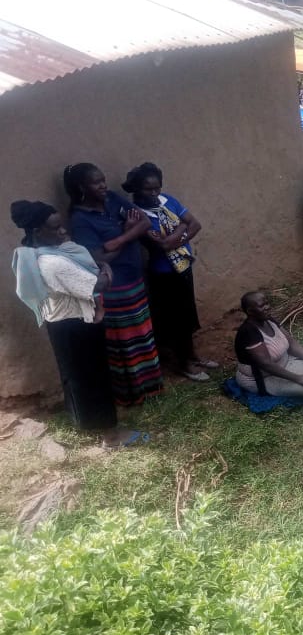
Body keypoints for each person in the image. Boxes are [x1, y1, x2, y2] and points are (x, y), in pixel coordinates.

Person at [10, 201, 146, 448]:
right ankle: (111, 436)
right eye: (55, 228)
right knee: (93, 378)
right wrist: (105, 269)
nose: (63, 232)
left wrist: (99, 270)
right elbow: (98, 285)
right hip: (76, 326)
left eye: (61, 226)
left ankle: (83, 421)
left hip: (60, 324)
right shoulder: (53, 263)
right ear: (37, 232)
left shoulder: (40, 254)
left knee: (75, 377)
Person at [65, 163, 163, 406]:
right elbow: (98, 259)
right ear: (81, 187)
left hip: (134, 279)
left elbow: (144, 223)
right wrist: (126, 233)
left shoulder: (111, 199)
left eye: (103, 179)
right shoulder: (80, 220)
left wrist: (119, 237)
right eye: (96, 182)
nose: (103, 185)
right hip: (114, 289)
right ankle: (133, 394)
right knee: (125, 343)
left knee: (143, 335)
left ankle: (152, 387)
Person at [121, 163, 214, 382]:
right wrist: (182, 227)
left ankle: (192, 355)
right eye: (148, 189)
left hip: (183, 266)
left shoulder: (168, 201)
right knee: (175, 319)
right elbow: (163, 246)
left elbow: (196, 224)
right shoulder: (137, 215)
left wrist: (178, 233)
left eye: (157, 188)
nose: (154, 194)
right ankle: (183, 363)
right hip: (163, 273)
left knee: (188, 315)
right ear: (137, 189)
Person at [234, 291, 303, 406]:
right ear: (250, 311)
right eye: (262, 306)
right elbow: (266, 364)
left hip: (286, 363)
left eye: (267, 303)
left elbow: (291, 345)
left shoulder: (269, 320)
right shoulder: (249, 332)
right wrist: (299, 378)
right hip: (264, 377)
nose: (267, 307)